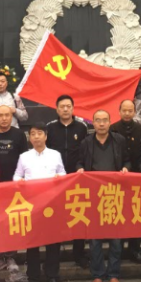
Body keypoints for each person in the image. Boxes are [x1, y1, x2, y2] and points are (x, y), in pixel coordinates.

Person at [77, 110, 130, 282]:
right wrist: (79, 169)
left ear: (109, 122)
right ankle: (98, 274)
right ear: (92, 123)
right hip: (93, 196)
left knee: (116, 238)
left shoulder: (119, 140)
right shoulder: (86, 142)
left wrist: (125, 168)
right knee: (95, 239)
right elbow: (79, 162)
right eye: (98, 120)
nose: (101, 123)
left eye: (104, 120)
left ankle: (113, 274)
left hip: (115, 194)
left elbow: (128, 161)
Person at [14, 125, 66, 282]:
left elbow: (63, 173)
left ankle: (52, 276)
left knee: (53, 242)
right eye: (33, 134)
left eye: (39, 133)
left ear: (46, 136)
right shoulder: (24, 157)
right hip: (32, 205)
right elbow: (17, 176)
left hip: (52, 204)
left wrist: (59, 177)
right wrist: (20, 181)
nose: (36, 137)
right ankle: (33, 278)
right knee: (32, 243)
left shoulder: (55, 155)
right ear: (29, 138)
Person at [45, 95, 91, 268]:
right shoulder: (50, 127)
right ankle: (54, 255)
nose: (65, 109)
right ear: (57, 109)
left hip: (76, 178)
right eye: (62, 106)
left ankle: (79, 253)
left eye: (68, 106)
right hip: (55, 180)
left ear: (73, 108)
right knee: (56, 217)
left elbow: (86, 151)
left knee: (78, 214)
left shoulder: (81, 127)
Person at [0, 105, 30, 282]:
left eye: (7, 115)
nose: (4, 118)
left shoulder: (18, 135)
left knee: (12, 222)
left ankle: (11, 256)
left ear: (12, 117)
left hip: (13, 186)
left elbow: (24, 159)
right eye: (0, 115)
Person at [110, 99, 141, 264]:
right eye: (124, 110)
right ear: (119, 111)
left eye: (130, 110)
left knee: (136, 215)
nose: (127, 113)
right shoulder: (112, 129)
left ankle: (135, 249)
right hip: (117, 180)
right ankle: (117, 250)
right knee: (118, 214)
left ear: (134, 112)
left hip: (137, 179)